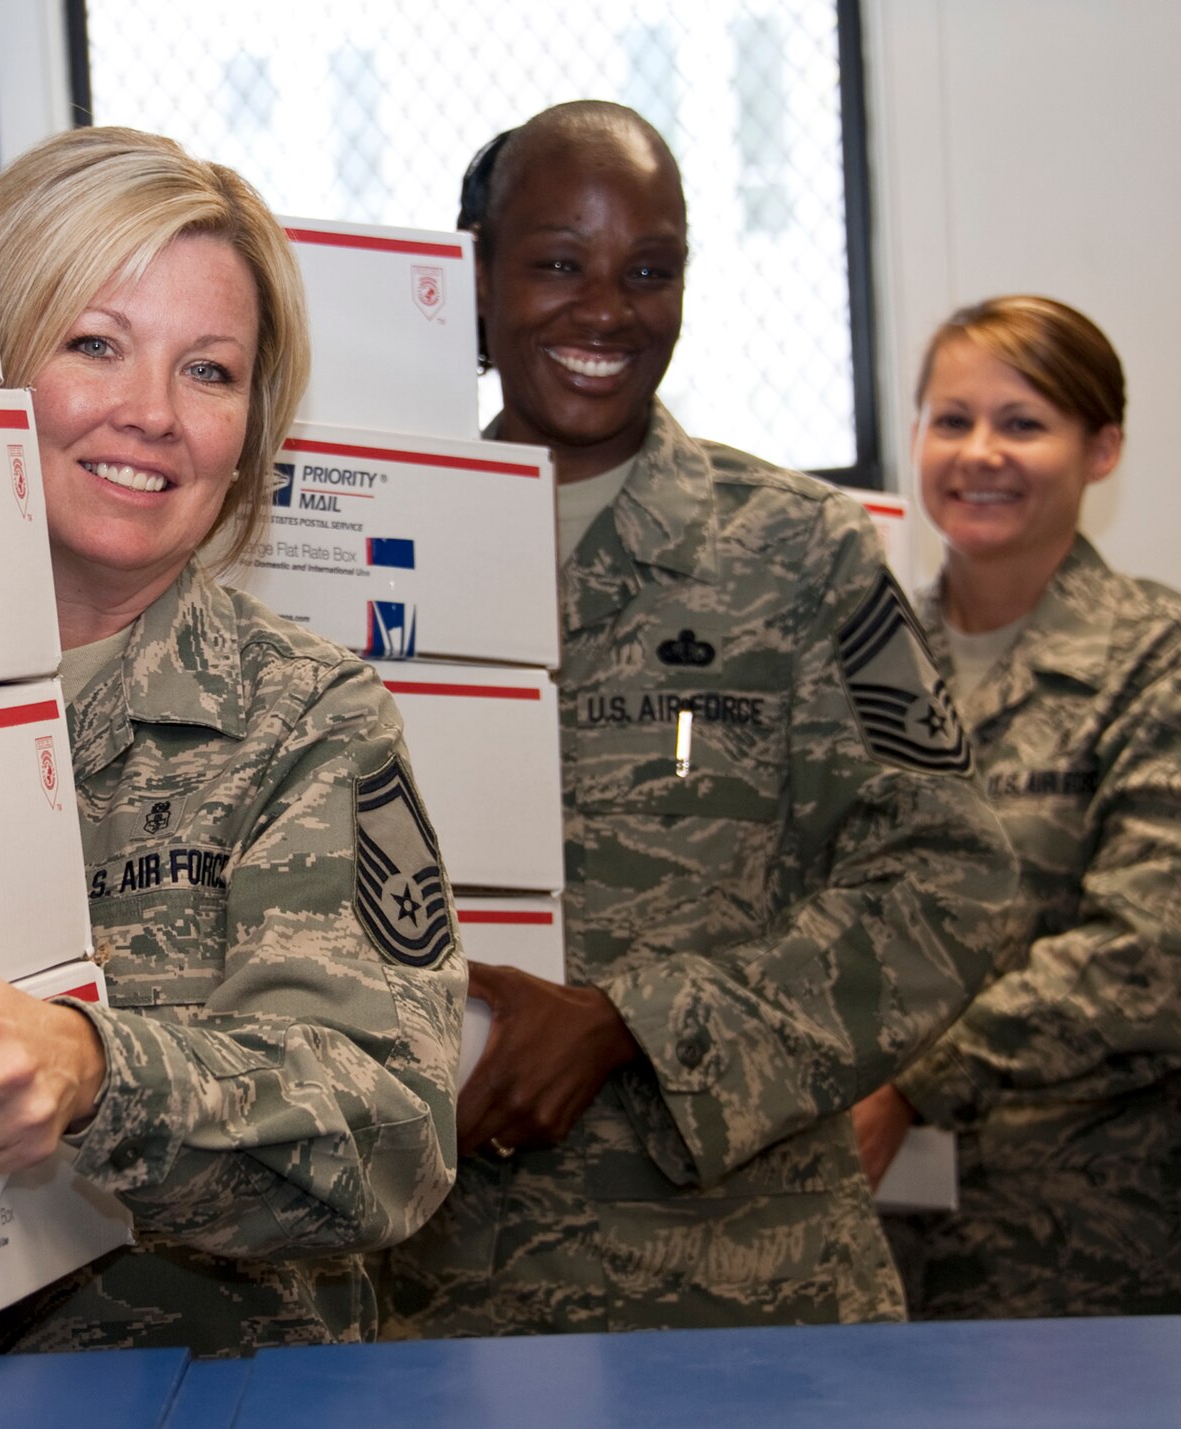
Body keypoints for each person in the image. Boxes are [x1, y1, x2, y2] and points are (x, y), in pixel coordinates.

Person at [0, 127, 466, 1355]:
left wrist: (96, 1070)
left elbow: (389, 1133)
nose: (152, 415)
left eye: (209, 372)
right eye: (94, 345)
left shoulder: (305, 717)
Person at [378, 100, 1016, 1336]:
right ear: (472, 274)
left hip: (741, 1291)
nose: (606, 309)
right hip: (435, 1296)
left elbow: (952, 884)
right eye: (558, 262)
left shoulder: (800, 552)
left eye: (649, 270)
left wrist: (635, 1022)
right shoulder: (368, 554)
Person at [854, 296, 1181, 1319]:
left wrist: (911, 1083)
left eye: (1023, 422)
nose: (979, 452)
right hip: (876, 1261)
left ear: (1101, 449)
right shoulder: (859, 664)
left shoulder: (1176, 667)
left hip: (1097, 1263)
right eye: (950, 420)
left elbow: (1141, 956)